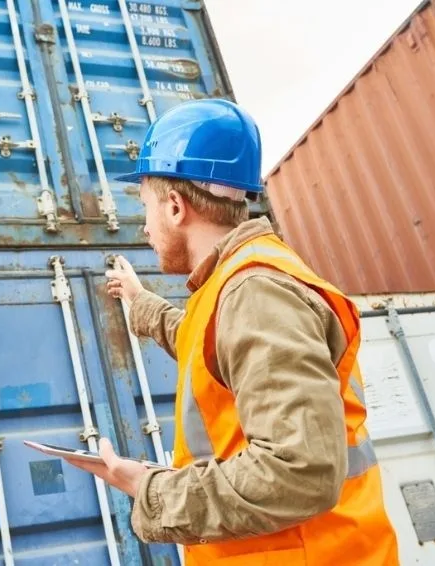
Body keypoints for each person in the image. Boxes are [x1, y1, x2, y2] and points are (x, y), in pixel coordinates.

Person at [63, 99, 400, 565]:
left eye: (146, 208)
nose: (144, 227)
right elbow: (204, 347)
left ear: (177, 207)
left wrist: (154, 491)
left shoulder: (256, 291)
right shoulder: (233, 283)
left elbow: (299, 472)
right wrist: (139, 302)